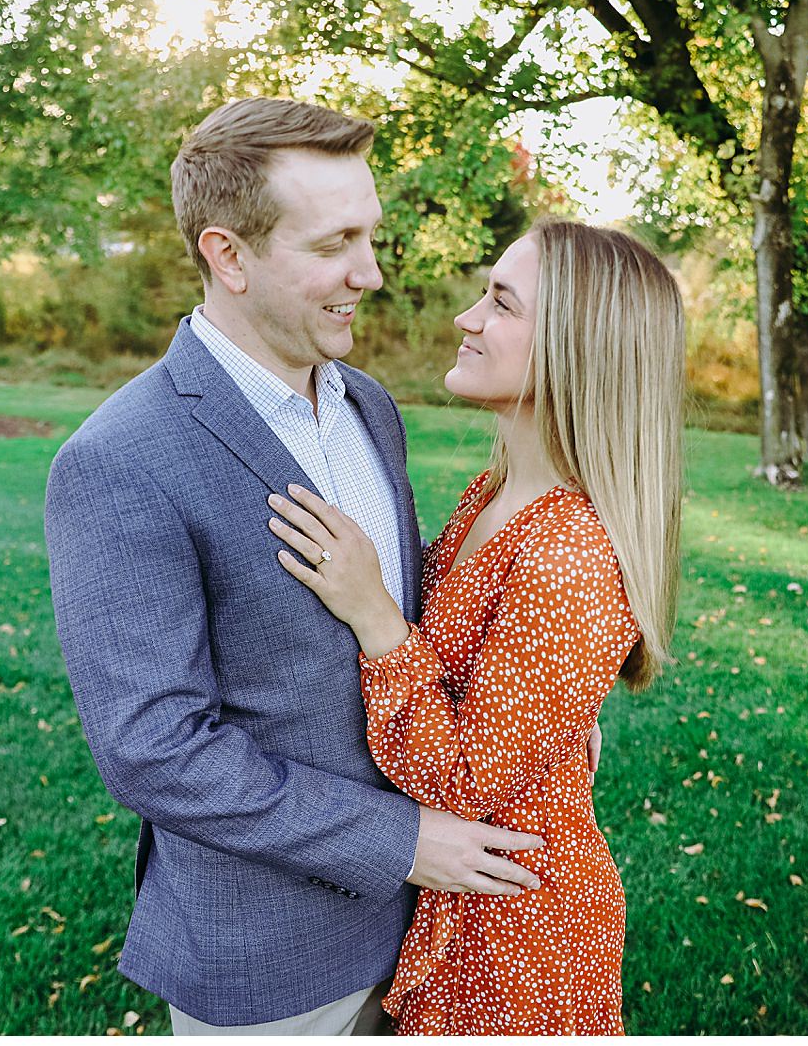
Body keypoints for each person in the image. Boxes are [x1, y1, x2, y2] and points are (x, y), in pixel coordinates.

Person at [43, 97, 549, 1035]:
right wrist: (399, 842)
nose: (372, 272)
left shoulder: (368, 403)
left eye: (371, 236)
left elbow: (408, 625)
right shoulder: (120, 458)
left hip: (438, 939)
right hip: (273, 967)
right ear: (226, 254)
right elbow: (154, 749)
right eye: (334, 245)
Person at [268, 219, 685, 1034]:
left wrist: (376, 615)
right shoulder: (496, 492)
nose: (466, 317)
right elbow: (486, 670)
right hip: (470, 903)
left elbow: (460, 785)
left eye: (500, 302)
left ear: (574, 346)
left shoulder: (567, 550)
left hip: (516, 935)